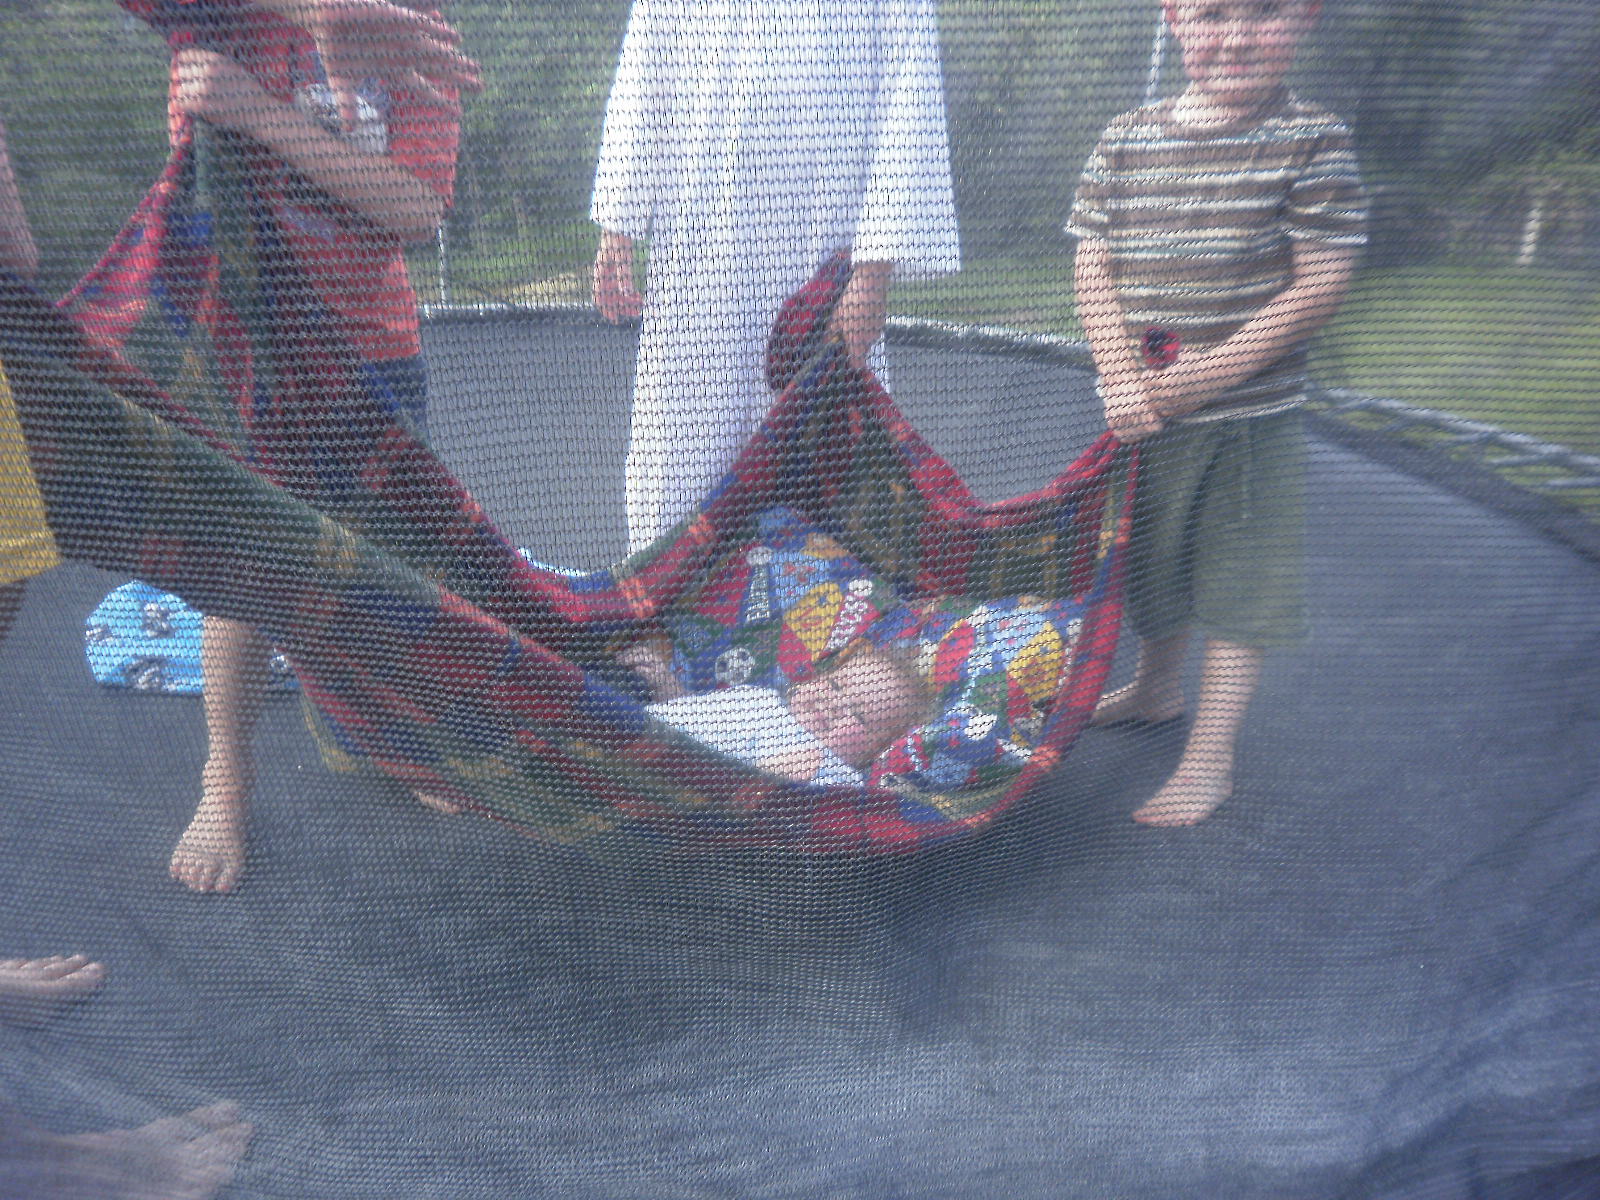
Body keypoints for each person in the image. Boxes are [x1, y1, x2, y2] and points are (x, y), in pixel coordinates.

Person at [162, 0, 476, 892]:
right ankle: (226, 776)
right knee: (243, 570)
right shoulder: (229, 21)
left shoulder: (416, 32)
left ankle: (388, 733)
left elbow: (413, 210)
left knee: (389, 561)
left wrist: (262, 113)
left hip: (372, 350)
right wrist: (295, 43)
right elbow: (201, 152)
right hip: (253, 343)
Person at [1066, 0, 1366, 826]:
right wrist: (1121, 376)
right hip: (1143, 418)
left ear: (1305, 16)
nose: (1234, 35)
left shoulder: (1312, 139)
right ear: (1172, 16)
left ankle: (1210, 757)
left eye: (1264, 11)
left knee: (1240, 585)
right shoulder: (1126, 136)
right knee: (1150, 564)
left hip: (1247, 424)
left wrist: (1207, 379)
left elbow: (1320, 284)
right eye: (1210, 12)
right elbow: (1092, 264)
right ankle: (1157, 688)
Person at [590, 0, 960, 552]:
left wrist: (872, 273)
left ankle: (825, 603)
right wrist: (618, 225)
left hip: (818, 262)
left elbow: (909, 85)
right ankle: (669, 599)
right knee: (678, 472)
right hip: (700, 260)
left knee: (825, 473)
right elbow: (648, 57)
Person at [621, 637, 932, 787]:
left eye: (860, 716)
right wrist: (668, 689)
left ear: (875, 753)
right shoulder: (763, 698)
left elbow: (764, 796)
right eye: (836, 685)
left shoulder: (835, 774)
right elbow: (700, 717)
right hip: (637, 732)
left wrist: (792, 772)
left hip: (676, 786)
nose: (835, 704)